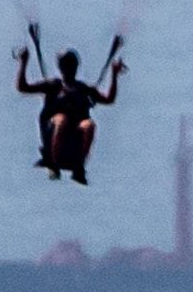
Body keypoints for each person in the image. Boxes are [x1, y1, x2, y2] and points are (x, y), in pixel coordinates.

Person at [16, 29, 123, 184]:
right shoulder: (53, 86)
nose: (68, 68)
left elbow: (109, 99)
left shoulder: (84, 89)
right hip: (53, 133)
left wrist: (114, 74)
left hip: (75, 139)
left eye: (71, 65)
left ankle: (79, 166)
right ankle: (52, 162)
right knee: (61, 119)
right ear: (60, 67)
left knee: (89, 125)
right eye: (66, 65)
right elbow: (23, 87)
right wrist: (23, 62)